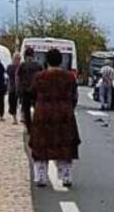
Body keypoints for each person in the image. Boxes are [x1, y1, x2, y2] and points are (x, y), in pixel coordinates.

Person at [30, 48, 80, 187]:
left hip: (43, 112)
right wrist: (69, 107)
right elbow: (74, 96)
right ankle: (66, 175)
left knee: (41, 145)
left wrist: (37, 107)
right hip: (64, 113)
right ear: (61, 61)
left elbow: (32, 94)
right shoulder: (70, 77)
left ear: (47, 61)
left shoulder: (39, 77)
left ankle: (40, 175)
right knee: (65, 145)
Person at [17, 47, 44, 129]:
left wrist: (19, 90)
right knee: (37, 108)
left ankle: (29, 128)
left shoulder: (22, 65)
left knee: (26, 110)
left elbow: (18, 78)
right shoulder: (38, 66)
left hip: (25, 91)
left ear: (25, 56)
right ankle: (37, 125)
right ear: (33, 55)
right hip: (36, 90)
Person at [6, 53, 22, 124]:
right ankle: (15, 118)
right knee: (12, 104)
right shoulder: (10, 67)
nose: (17, 60)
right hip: (12, 88)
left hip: (21, 88)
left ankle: (22, 117)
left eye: (19, 59)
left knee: (22, 103)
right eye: (16, 58)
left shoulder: (22, 66)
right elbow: (9, 74)